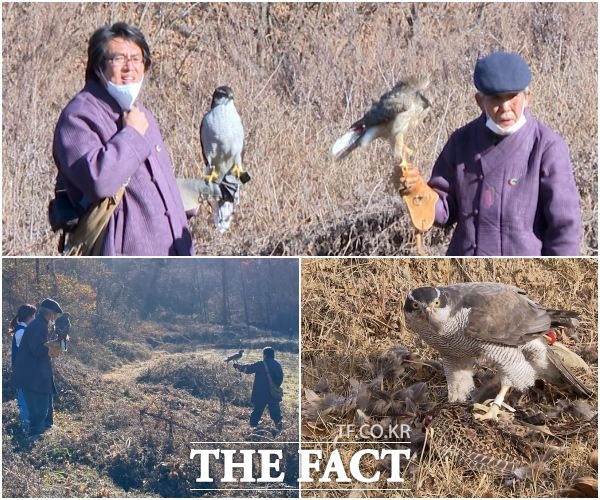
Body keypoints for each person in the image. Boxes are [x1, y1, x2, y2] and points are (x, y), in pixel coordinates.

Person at [400, 51, 583, 256]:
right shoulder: (461, 141)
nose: (505, 108)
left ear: (527, 97)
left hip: (524, 270)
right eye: (495, 98)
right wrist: (418, 193)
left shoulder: (546, 147)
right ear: (479, 101)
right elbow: (444, 211)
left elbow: (565, 229)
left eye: (512, 97)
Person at [53, 22, 194, 255]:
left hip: (171, 261)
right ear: (98, 66)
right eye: (118, 58)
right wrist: (132, 135)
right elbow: (100, 182)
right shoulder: (78, 117)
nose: (130, 67)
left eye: (137, 59)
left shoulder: (141, 113)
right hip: (122, 267)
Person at [11, 299, 64, 439]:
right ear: (51, 314)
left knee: (43, 402)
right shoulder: (39, 325)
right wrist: (52, 346)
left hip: (36, 373)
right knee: (38, 406)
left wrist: (53, 345)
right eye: (55, 315)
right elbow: (36, 350)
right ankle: (35, 435)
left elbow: (39, 346)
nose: (55, 318)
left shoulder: (40, 324)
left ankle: (42, 430)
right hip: (32, 375)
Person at [234, 347, 284, 429]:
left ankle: (252, 428)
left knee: (257, 412)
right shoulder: (277, 365)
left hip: (261, 393)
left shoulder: (262, 364)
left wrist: (238, 366)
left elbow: (248, 369)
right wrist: (275, 387)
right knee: (276, 414)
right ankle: (279, 430)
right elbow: (281, 378)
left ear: (265, 355)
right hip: (273, 393)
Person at [8, 304, 37, 433]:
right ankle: (26, 428)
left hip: (24, 370)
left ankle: (29, 425)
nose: (35, 318)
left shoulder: (23, 330)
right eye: (34, 315)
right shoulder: (21, 332)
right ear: (29, 317)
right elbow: (27, 351)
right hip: (22, 371)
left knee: (27, 398)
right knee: (24, 399)